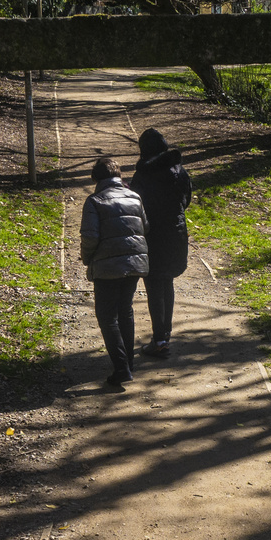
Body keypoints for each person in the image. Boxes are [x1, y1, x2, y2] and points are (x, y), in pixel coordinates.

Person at [80, 156, 149, 386]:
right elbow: (144, 227)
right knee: (125, 311)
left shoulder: (94, 201)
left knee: (107, 316)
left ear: (96, 178)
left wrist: (88, 258)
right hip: (134, 263)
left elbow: (90, 236)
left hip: (107, 266)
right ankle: (128, 363)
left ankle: (121, 369)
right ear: (118, 175)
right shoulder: (135, 196)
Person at [130, 128, 193, 357]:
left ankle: (159, 340)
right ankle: (164, 335)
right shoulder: (179, 170)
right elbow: (186, 200)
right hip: (176, 234)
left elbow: (136, 205)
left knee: (155, 286)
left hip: (152, 235)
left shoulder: (143, 175)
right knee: (167, 283)